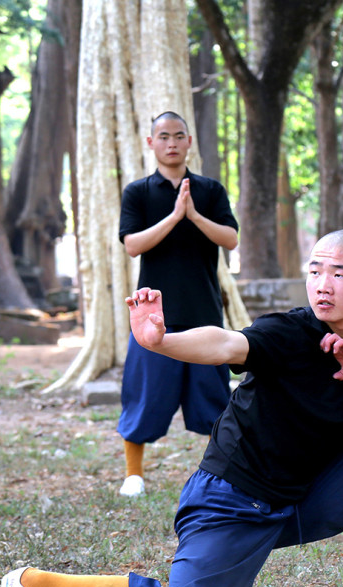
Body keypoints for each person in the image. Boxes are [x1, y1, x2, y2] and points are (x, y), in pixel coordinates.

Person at [0, 229, 343, 587]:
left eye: (339, 274)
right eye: (314, 271)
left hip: (300, 494)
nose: (322, 285)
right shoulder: (287, 332)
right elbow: (227, 343)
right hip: (233, 500)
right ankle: (34, 584)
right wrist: (162, 341)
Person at [115, 111, 239, 497]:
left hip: (203, 311)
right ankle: (133, 475)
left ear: (189, 142)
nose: (171, 143)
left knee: (213, 400)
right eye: (164, 136)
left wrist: (194, 215)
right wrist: (173, 217)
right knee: (145, 396)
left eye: (179, 136)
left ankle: (218, 476)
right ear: (151, 143)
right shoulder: (138, 192)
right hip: (152, 315)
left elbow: (230, 238)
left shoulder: (210, 190)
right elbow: (132, 244)